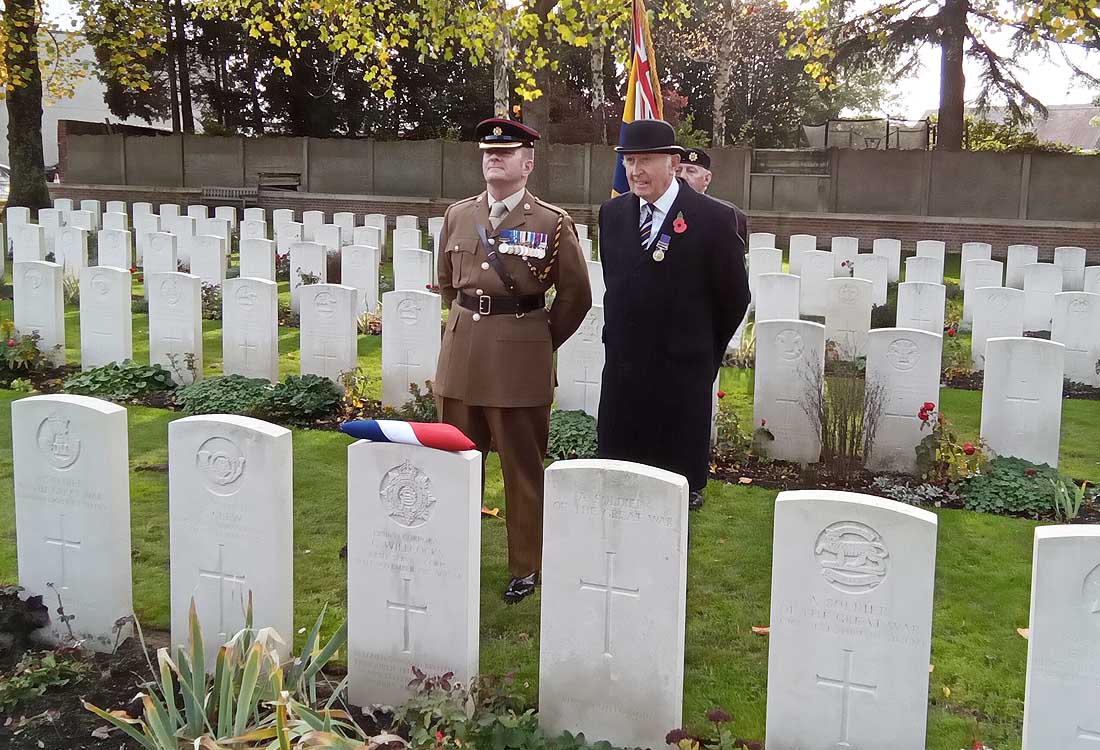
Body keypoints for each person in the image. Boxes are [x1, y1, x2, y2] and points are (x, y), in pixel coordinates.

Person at [435, 117, 592, 602]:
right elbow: (448, 284)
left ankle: (526, 565)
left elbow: (575, 297)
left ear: (528, 164)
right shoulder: (458, 216)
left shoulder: (550, 222)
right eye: (488, 153)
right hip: (461, 359)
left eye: (506, 153)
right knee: (456, 465)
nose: (494, 158)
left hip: (519, 362)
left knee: (522, 470)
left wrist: (536, 342)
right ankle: (450, 550)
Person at [596, 120, 750, 511]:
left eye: (645, 160)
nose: (635, 171)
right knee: (618, 488)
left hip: (680, 379)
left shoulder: (714, 218)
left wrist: (703, 356)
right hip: (624, 378)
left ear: (673, 163)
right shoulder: (612, 214)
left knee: (673, 500)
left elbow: (733, 297)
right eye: (629, 160)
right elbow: (618, 288)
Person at [678, 146, 749, 245]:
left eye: (691, 171)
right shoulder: (658, 209)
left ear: (707, 179)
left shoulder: (728, 215)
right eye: (678, 171)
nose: (682, 176)